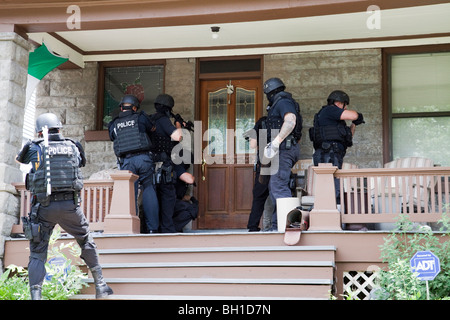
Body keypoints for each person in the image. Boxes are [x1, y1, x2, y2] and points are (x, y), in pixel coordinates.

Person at [16, 113, 113, 300]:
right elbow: (81, 163)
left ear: (39, 130)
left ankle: (36, 297)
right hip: (70, 206)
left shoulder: (34, 147)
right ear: (59, 128)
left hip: (43, 208)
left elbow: (20, 160)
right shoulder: (73, 145)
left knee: (37, 253)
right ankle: (100, 286)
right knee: (85, 240)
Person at [108, 94, 159, 233]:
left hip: (127, 162)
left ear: (121, 107)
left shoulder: (114, 123)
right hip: (144, 159)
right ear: (135, 107)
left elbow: (112, 137)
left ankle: (132, 229)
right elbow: (152, 129)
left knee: (130, 193)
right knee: (148, 189)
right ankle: (153, 229)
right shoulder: (140, 117)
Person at [262, 77, 302, 231]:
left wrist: (276, 142)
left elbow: (290, 121)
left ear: (270, 92)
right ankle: (276, 226)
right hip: (285, 148)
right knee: (275, 187)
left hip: (284, 149)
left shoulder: (282, 101)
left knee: (278, 186)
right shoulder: (283, 101)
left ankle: (291, 226)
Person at [309, 90, 364, 201]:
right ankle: (331, 211)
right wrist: (358, 116)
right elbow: (353, 115)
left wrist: (354, 124)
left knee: (334, 184)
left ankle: (335, 208)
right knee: (331, 186)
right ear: (338, 102)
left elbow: (348, 137)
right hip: (328, 153)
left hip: (332, 153)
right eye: (345, 104)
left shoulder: (334, 120)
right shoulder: (330, 110)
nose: (346, 107)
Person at [149, 93, 183, 233]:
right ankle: (167, 229)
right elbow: (177, 136)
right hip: (164, 165)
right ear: (168, 108)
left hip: (150, 163)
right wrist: (179, 125)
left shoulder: (150, 119)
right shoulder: (163, 120)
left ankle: (152, 228)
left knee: (152, 197)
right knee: (168, 198)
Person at [245, 116, 271, 232]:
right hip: (282, 160)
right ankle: (278, 224)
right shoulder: (283, 121)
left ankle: (253, 226)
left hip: (265, 162)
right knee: (279, 193)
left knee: (259, 196)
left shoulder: (262, 121)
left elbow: (252, 144)